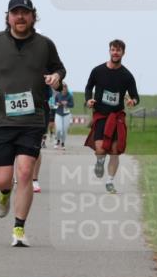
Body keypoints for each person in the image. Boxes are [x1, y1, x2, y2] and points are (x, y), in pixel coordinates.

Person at [0, 0, 65, 247]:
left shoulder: (45, 45)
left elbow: (59, 68)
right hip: (2, 119)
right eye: (16, 13)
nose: (20, 17)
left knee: (25, 173)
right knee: (2, 179)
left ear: (33, 16)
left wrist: (55, 77)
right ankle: (3, 193)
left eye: (25, 13)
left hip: (33, 120)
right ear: (8, 16)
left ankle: (19, 228)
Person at [84, 39, 139, 194]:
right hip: (101, 114)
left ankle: (110, 182)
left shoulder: (127, 75)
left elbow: (135, 96)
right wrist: (88, 99)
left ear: (123, 53)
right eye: (113, 49)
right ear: (109, 51)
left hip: (116, 116)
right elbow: (88, 87)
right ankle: (99, 162)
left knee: (114, 150)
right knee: (100, 149)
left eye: (118, 50)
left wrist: (132, 101)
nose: (115, 53)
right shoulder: (98, 71)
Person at [52, 82, 75, 149]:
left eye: (65, 87)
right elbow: (54, 103)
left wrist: (66, 104)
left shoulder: (69, 96)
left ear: (66, 88)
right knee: (59, 129)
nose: (64, 89)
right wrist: (57, 104)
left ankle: (63, 143)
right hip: (58, 113)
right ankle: (57, 140)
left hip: (66, 114)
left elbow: (72, 105)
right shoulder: (58, 95)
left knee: (64, 130)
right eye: (62, 88)